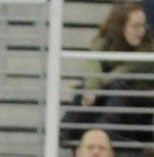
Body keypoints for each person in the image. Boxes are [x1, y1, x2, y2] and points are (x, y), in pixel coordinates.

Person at [62, 1, 154, 145]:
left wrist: (95, 87)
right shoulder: (105, 40)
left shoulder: (149, 48)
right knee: (86, 84)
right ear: (121, 27)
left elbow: (122, 72)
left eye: (143, 25)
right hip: (113, 104)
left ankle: (103, 132)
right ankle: (66, 129)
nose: (141, 31)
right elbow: (93, 62)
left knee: (119, 82)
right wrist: (91, 87)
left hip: (138, 110)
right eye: (135, 26)